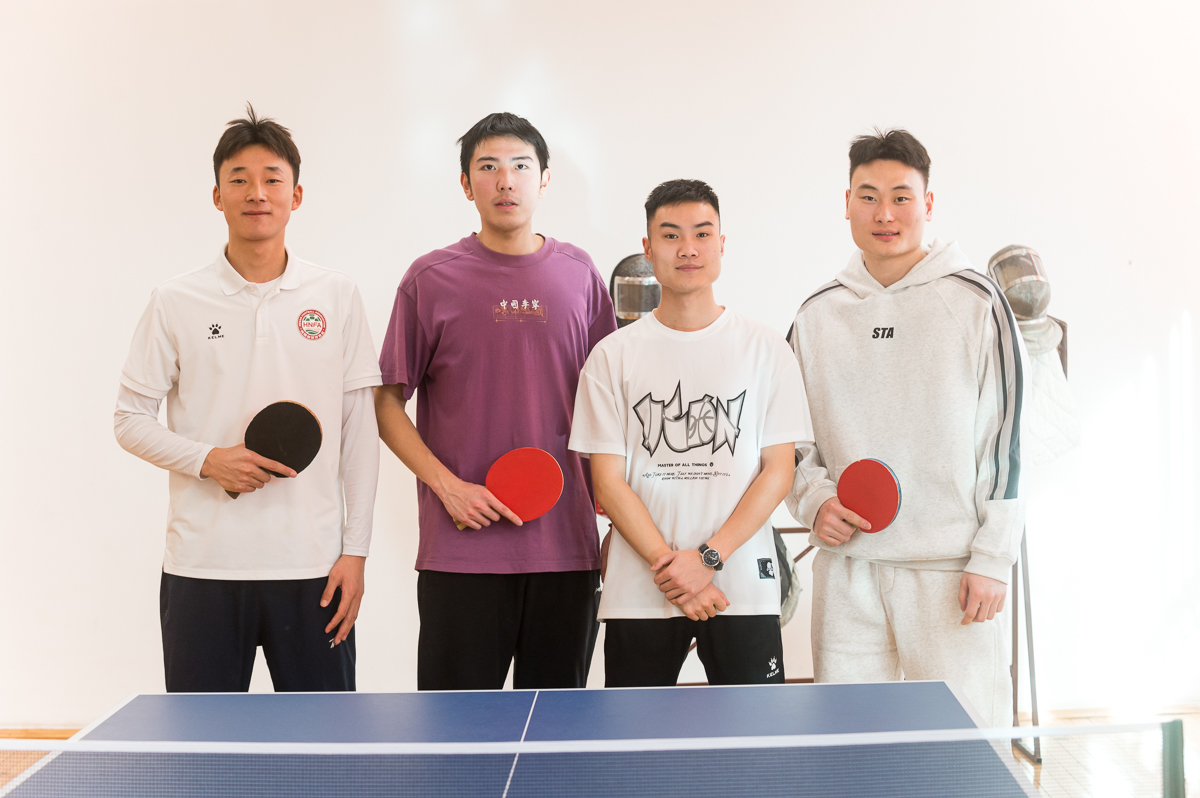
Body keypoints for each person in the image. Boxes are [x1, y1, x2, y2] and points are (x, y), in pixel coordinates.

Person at [114, 105, 382, 692]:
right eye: (239, 179)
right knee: (204, 743)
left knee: (324, 742)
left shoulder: (336, 296)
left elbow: (359, 432)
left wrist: (356, 552)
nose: (256, 193)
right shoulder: (175, 300)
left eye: (271, 179)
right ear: (217, 196)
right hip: (202, 567)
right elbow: (129, 420)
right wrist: (208, 460)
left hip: (314, 568)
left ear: (296, 195)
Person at [786, 129, 1028, 726]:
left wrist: (992, 558)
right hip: (848, 569)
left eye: (901, 196)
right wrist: (814, 501)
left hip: (950, 571)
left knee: (963, 752)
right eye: (868, 197)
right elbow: (787, 439)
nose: (885, 214)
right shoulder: (816, 314)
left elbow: (1005, 440)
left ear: (928, 203)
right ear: (847, 203)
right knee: (850, 749)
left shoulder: (977, 302)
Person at [375, 112, 616, 691]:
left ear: (544, 179)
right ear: (466, 184)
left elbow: (611, 409)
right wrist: (447, 487)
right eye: (488, 167)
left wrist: (620, 519)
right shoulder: (430, 278)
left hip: (566, 550)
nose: (505, 180)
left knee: (555, 732)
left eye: (520, 166)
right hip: (461, 551)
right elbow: (386, 403)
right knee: (457, 733)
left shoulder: (580, 274)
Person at [570, 179, 808, 687]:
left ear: (721, 243)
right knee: (635, 737)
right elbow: (608, 482)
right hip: (641, 592)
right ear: (648, 247)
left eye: (702, 233)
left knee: (755, 734)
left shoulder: (767, 350)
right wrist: (676, 570)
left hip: (743, 589)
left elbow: (778, 471)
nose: (688, 248)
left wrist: (708, 558)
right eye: (671, 235)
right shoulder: (611, 356)